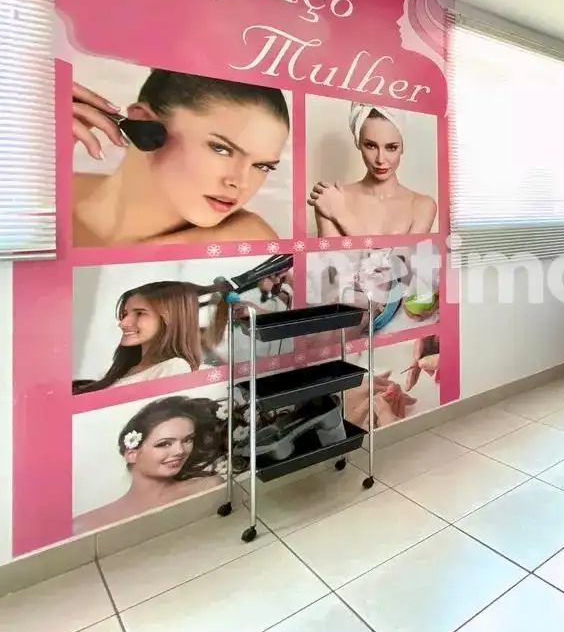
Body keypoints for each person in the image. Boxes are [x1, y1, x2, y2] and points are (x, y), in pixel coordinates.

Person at [70, 70, 290, 246]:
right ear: (143, 121)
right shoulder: (52, 191)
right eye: (221, 149)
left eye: (262, 166)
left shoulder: (246, 244)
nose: (241, 183)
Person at [73, 396, 224, 534]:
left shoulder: (206, 488)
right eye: (164, 444)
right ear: (132, 454)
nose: (180, 451)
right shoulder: (85, 524)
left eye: (187, 440)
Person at [308, 103, 436, 236]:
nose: (380, 159)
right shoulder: (331, 198)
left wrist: (342, 215)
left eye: (391, 147)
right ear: (358, 143)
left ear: (403, 147)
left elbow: (404, 252)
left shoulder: (423, 205)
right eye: (371, 146)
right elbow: (333, 251)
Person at [73, 282, 203, 394]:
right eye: (125, 314)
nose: (123, 323)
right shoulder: (126, 368)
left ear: (170, 319)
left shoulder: (174, 367)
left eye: (140, 313)